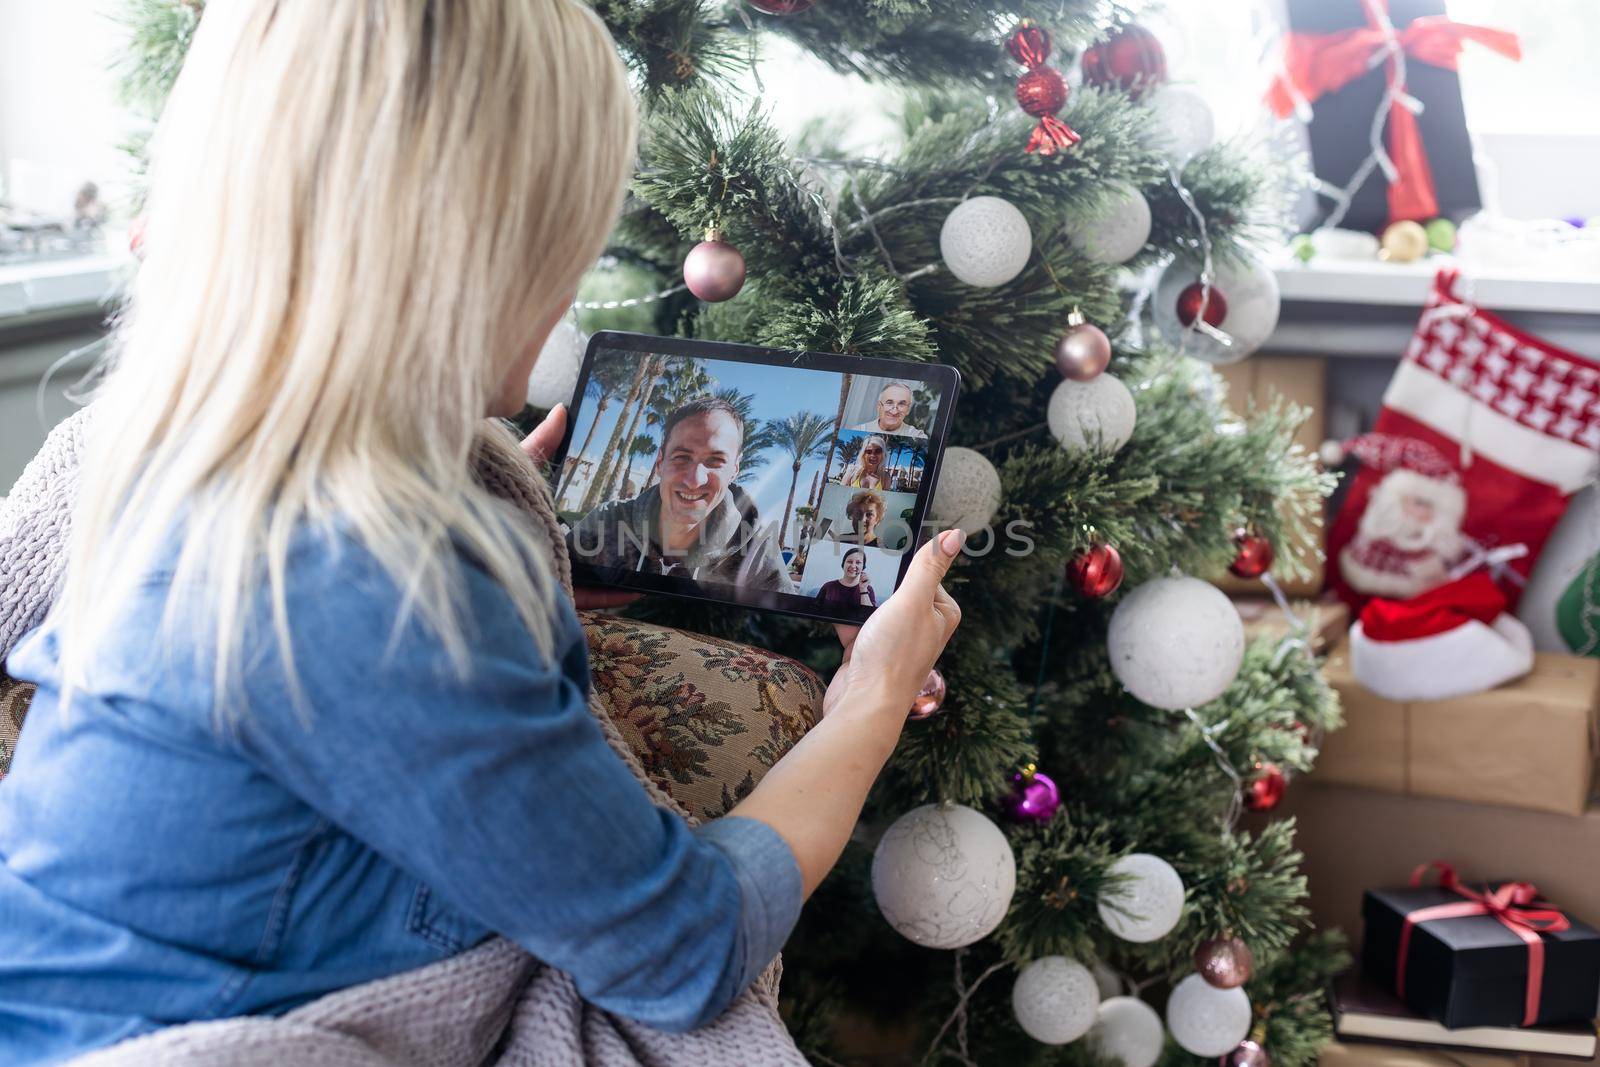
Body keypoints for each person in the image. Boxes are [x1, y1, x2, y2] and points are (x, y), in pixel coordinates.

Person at [0, 3, 962, 1063]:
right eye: (569, 242)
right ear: (475, 262)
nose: (568, 292)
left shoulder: (196, 439)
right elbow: (683, 947)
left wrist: (526, 567)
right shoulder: (380, 583)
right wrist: (869, 699)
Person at [565, 396, 792, 591]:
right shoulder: (607, 522)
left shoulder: (757, 554)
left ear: (734, 469)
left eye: (715, 461)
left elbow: (782, 632)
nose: (694, 480)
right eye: (682, 457)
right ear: (660, 461)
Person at [851, 381, 926, 439]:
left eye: (901, 404)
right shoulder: (858, 430)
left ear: (908, 410)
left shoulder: (917, 436)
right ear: (879, 406)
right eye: (889, 403)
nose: (894, 411)